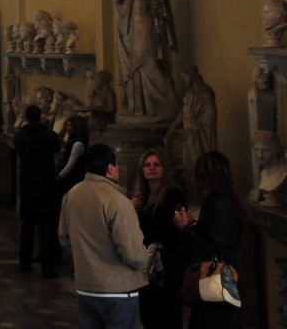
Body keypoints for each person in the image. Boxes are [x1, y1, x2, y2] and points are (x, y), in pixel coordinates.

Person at [59, 143, 148, 329]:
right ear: (110, 168)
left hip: (86, 286)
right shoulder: (118, 201)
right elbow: (133, 254)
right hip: (118, 290)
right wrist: (147, 260)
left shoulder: (71, 195)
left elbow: (64, 237)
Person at [173, 151, 245, 328]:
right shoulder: (229, 202)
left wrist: (185, 229)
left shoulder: (216, 204)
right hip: (226, 280)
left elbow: (215, 249)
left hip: (214, 283)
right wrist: (194, 224)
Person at [130, 149, 186, 329]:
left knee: (168, 317)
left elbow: (170, 230)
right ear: (142, 170)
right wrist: (131, 210)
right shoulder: (141, 198)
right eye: (147, 165)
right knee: (148, 315)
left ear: (163, 169)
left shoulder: (173, 195)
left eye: (156, 164)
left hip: (167, 267)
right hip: (145, 268)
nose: (151, 168)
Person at [13, 104, 61, 278]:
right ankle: (48, 267)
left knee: (27, 226)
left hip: (27, 183)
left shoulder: (20, 135)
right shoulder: (49, 135)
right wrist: (46, 127)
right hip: (46, 184)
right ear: (41, 117)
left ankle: (24, 262)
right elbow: (56, 148)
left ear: (26, 117)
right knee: (47, 227)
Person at [165, 64, 217, 174]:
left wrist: (195, 127)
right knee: (188, 170)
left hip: (199, 139)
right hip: (189, 138)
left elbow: (209, 119)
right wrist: (172, 129)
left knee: (199, 169)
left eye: (184, 76)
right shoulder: (189, 93)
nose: (182, 79)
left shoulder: (205, 94)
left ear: (192, 75)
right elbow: (184, 113)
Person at [57, 115, 89, 197]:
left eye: (69, 125)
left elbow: (69, 166)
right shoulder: (71, 141)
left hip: (72, 180)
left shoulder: (78, 144)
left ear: (76, 128)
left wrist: (58, 178)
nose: (66, 128)